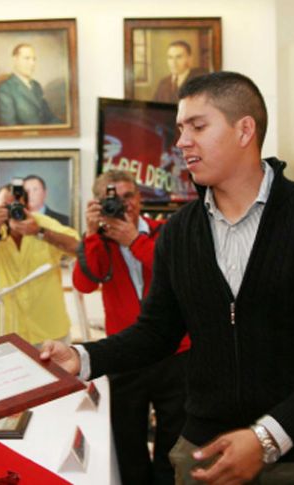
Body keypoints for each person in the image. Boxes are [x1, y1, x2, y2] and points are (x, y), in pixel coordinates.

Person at [42, 72, 294, 484]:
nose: (181, 141)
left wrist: (268, 436)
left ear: (245, 130)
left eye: (198, 126)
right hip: (206, 452)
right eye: (180, 129)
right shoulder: (180, 232)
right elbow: (157, 332)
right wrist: (82, 357)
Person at [74, 169, 191, 485]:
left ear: (139, 198)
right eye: (114, 199)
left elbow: (179, 271)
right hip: (126, 353)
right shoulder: (99, 240)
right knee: (128, 441)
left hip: (175, 352)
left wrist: (135, 241)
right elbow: (84, 283)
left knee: (174, 441)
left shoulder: (165, 230)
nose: (123, 205)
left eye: (129, 196)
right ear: (99, 203)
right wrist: (91, 235)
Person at [0, 183, 79, 345]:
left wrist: (39, 232)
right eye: (5, 206)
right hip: (13, 330)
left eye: (16, 205)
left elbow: (78, 248)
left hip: (50, 329)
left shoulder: (43, 223)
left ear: (27, 205)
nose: (12, 211)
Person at [0, 43, 62, 126]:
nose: (32, 63)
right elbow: (10, 127)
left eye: (34, 59)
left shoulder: (36, 86)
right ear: (15, 60)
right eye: (27, 58)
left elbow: (49, 117)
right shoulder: (5, 89)